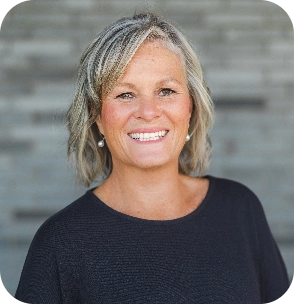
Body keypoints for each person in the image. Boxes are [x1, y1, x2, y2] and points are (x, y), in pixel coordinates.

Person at [15, 12, 289, 303]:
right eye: (125, 95)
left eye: (166, 91)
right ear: (96, 116)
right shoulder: (60, 242)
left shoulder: (240, 210)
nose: (148, 111)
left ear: (190, 107)